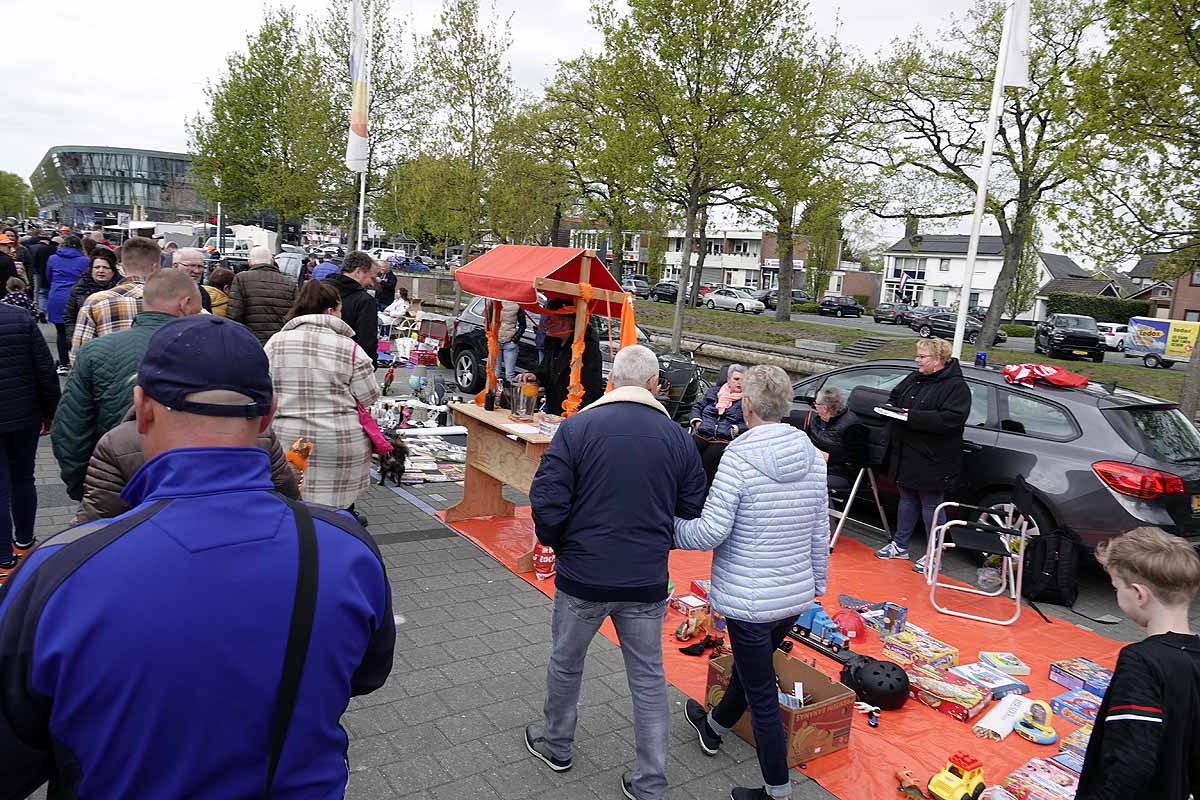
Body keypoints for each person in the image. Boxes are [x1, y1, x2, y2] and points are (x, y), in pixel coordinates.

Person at [0, 314, 394, 798]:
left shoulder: (60, 571)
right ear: (267, 416)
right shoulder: (346, 546)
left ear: (142, 409)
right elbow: (366, 674)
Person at [525, 345, 706, 800]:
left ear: (611, 381)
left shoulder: (577, 428)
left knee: (566, 662)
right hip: (645, 579)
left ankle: (556, 744)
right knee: (647, 677)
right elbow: (690, 509)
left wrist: (563, 544)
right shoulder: (677, 438)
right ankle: (651, 781)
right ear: (654, 385)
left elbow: (547, 501)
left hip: (583, 574)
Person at [673, 365, 828, 800]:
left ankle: (777, 791)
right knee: (750, 668)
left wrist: (667, 527)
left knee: (761, 693)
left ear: (746, 407)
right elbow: (820, 531)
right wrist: (816, 584)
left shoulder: (738, 457)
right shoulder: (811, 455)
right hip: (792, 595)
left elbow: (710, 532)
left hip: (750, 599)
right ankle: (715, 726)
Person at [52, 269, 202, 502]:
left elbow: (70, 430)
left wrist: (85, 487)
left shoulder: (95, 351)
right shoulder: (210, 351)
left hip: (115, 484)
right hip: (190, 488)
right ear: (184, 305)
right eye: (197, 311)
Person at [1077, 527, 1200, 800]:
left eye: (1116, 588)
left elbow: (1130, 761)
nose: (1116, 595)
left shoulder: (1141, 661)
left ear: (1139, 594)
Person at [264, 280, 382, 511]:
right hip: (338, 438)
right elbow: (369, 395)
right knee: (337, 506)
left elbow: (264, 388)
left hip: (292, 438)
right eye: (340, 310)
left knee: (294, 498)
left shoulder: (275, 343)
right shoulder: (349, 347)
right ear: (330, 311)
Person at [76, 405, 299, 522]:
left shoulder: (118, 441)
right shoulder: (259, 433)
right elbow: (289, 501)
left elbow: (92, 525)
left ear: (141, 400)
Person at [875, 337, 971, 572]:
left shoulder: (956, 387)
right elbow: (895, 396)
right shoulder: (915, 377)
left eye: (922, 357)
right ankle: (900, 545)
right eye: (917, 356)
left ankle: (935, 554)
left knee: (932, 504)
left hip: (934, 457)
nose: (917, 360)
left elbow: (952, 419)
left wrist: (912, 416)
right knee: (906, 498)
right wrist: (891, 409)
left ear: (938, 359)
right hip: (907, 451)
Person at [0, 301, 59, 585]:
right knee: (24, 478)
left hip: (22, 415)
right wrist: (50, 411)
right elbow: (44, 368)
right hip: (24, 416)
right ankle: (24, 543)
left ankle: (3, 559)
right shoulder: (20, 318)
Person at [72, 235, 161, 353]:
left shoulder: (96, 301)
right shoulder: (171, 301)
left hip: (108, 362)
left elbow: (80, 352)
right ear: (155, 267)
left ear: (122, 267)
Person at [518, 300, 604, 415]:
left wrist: (573, 413)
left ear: (565, 322)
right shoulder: (553, 342)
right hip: (553, 412)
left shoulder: (586, 348)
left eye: (551, 319)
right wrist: (535, 376)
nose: (546, 322)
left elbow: (591, 389)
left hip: (576, 414)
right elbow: (545, 370)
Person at [689, 364, 747, 486]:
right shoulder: (714, 392)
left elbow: (749, 422)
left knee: (711, 457)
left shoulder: (747, 400)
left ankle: (703, 489)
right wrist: (697, 421)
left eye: (743, 380)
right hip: (703, 432)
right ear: (728, 379)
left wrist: (736, 429)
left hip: (723, 438)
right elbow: (697, 407)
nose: (740, 383)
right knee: (688, 450)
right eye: (736, 379)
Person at [227, 246, 298, 344]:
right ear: (272, 261)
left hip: (250, 340)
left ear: (249, 262)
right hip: (278, 340)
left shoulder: (241, 279)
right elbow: (294, 316)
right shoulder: (289, 283)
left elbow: (234, 314)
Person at [805, 386, 869, 492]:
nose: (814, 406)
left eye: (816, 404)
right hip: (815, 466)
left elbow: (856, 458)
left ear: (824, 408)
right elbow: (805, 440)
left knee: (803, 481)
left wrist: (829, 457)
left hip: (841, 473)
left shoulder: (853, 427)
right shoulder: (816, 420)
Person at [324, 250, 380, 363]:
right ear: (358, 272)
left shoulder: (317, 291)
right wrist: (370, 365)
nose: (372, 284)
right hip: (346, 363)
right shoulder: (365, 301)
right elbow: (367, 341)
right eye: (371, 278)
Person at [46, 234, 91, 374]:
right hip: (77, 297)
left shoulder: (53, 258)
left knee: (60, 332)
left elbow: (48, 277)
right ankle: (77, 362)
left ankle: (63, 363)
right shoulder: (85, 260)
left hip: (56, 296)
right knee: (78, 331)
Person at [63, 249, 121, 346]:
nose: (101, 270)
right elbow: (69, 316)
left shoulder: (121, 288)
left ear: (113, 270)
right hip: (86, 340)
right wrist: (73, 339)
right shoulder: (79, 288)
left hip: (113, 340)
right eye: (97, 267)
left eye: (105, 267)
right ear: (91, 269)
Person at [486, 300, 526, 385]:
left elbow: (487, 321)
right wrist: (514, 339)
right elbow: (523, 325)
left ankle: (493, 391)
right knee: (507, 374)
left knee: (497, 373)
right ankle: (499, 391)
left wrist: (514, 340)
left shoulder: (494, 302)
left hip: (502, 341)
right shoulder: (518, 305)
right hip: (501, 341)